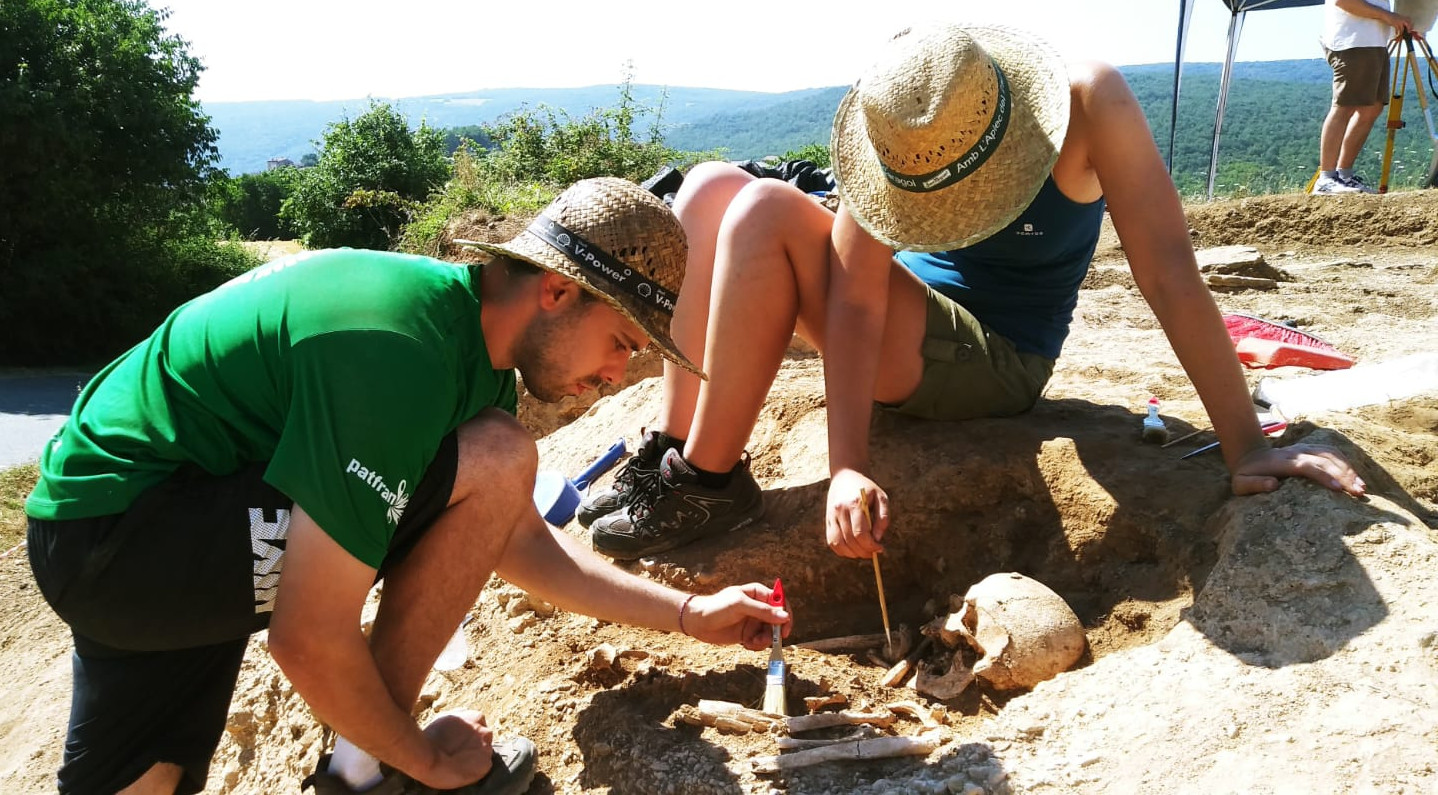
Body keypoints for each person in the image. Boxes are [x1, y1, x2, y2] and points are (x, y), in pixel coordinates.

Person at [24, 177, 791, 795]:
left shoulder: (463, 347)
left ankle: (364, 760)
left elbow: (520, 541)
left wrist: (689, 614)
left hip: (105, 532)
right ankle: (364, 772)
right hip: (131, 530)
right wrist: (424, 755)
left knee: (146, 782)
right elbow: (309, 636)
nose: (617, 375)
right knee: (496, 454)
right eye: (622, 343)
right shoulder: (402, 355)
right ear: (556, 290)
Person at [576, 22, 1368, 563]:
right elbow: (853, 297)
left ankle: (710, 484)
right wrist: (848, 463)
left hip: (996, 356)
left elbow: (1167, 274)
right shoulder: (909, 121)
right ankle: (675, 453)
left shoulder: (1091, 104)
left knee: (764, 207)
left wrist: (1248, 446)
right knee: (712, 185)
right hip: (909, 317)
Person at [1312, 0, 1415, 194]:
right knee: (1344, 106)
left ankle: (1344, 176)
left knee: (1372, 107)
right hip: (1352, 42)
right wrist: (1390, 17)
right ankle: (1326, 179)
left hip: (1373, 42)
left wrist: (1395, 25)